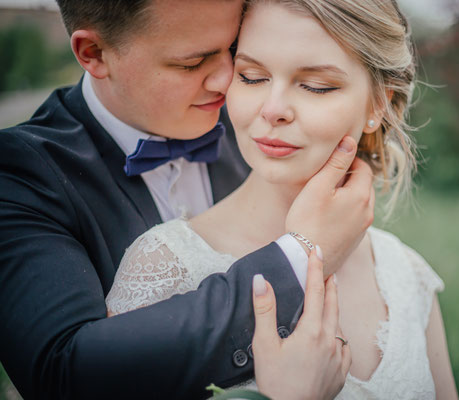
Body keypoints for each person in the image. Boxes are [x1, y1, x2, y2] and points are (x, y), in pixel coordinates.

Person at [0, 0, 374, 399]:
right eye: (192, 63)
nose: (226, 79)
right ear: (94, 53)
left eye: (232, 52)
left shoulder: (260, 126)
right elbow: (63, 374)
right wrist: (302, 256)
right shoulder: (21, 173)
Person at [107, 0, 459, 399]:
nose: (272, 110)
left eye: (316, 86)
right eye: (252, 77)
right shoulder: (162, 269)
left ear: (378, 104)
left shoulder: (407, 275)